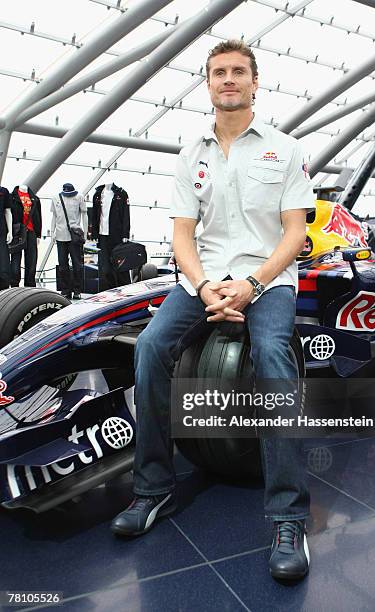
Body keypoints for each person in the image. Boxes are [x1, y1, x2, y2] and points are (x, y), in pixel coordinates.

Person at [111, 40, 315, 581]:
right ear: (208, 84)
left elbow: (295, 231)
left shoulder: (285, 148)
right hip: (202, 280)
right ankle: (152, 491)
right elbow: (182, 234)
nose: (228, 80)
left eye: (238, 72)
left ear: (255, 82)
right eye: (218, 72)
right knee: (152, 347)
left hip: (267, 281)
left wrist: (251, 283)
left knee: (273, 357)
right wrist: (203, 288)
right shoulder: (190, 153)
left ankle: (289, 518)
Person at [51, 183, 88, 299]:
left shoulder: (79, 197)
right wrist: (52, 232)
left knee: (77, 264)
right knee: (62, 264)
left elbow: (84, 214)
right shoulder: (56, 198)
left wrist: (85, 233)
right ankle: (66, 289)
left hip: (74, 236)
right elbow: (54, 216)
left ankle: (77, 289)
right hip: (61, 235)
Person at [91, 182, 130, 291]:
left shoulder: (121, 194)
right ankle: (108, 291)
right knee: (105, 268)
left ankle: (125, 290)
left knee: (121, 265)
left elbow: (126, 214)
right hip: (102, 235)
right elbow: (95, 215)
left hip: (117, 235)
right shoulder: (97, 194)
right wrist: (94, 232)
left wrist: (125, 233)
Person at [10, 184, 42, 287]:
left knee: (32, 260)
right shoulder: (12, 197)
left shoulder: (35, 199)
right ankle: (14, 285)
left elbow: (38, 217)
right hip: (18, 231)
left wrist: (38, 234)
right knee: (15, 260)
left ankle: (30, 285)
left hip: (31, 231)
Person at [0, 186, 12, 290]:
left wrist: (10, 231)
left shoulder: (3, 191)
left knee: (3, 262)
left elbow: (8, 212)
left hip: (1, 231)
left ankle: (3, 288)